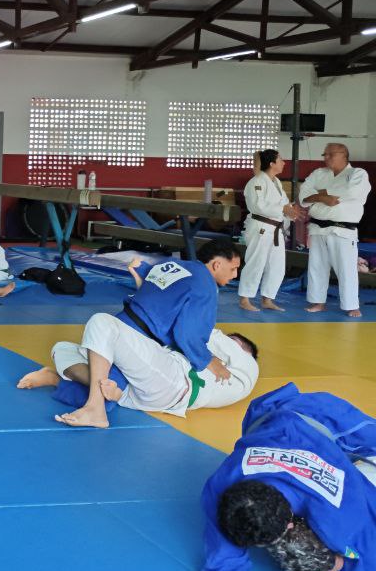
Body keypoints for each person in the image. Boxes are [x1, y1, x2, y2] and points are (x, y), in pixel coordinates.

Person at [201, 383, 376, 571]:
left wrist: (334, 566)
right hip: (268, 417)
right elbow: (222, 562)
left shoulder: (337, 510)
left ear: (291, 523)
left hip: (327, 419)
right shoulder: (221, 489)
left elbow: (368, 568)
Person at [52, 240, 243, 429]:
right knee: (71, 343)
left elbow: (147, 272)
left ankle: (92, 403)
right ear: (217, 264)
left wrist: (139, 267)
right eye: (233, 269)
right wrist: (208, 361)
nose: (235, 275)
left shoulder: (172, 264)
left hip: (132, 339)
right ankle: (106, 393)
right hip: (130, 340)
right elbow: (188, 334)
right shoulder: (205, 285)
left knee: (89, 331)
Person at [19, 328, 259, 418]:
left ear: (239, 346)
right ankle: (60, 380)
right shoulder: (197, 353)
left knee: (103, 324)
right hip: (156, 381)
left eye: (231, 339)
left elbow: (202, 333)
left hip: (173, 382)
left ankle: (67, 383)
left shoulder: (246, 366)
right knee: (62, 348)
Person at [301, 142, 371, 317]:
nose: (326, 157)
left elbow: (351, 192)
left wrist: (318, 195)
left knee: (346, 269)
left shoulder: (357, 174)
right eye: (324, 154)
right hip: (317, 228)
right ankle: (318, 302)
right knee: (316, 267)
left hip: (343, 229)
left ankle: (351, 305)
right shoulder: (318, 173)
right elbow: (303, 195)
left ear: (343, 155)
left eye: (330, 154)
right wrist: (323, 197)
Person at [241, 149, 297, 313]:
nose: (284, 163)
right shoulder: (256, 182)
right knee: (256, 262)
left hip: (275, 229)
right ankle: (245, 299)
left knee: (277, 265)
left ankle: (267, 299)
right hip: (261, 227)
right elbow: (258, 206)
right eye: (280, 160)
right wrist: (283, 209)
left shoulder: (276, 182)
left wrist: (291, 212)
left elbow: (284, 204)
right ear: (272, 164)